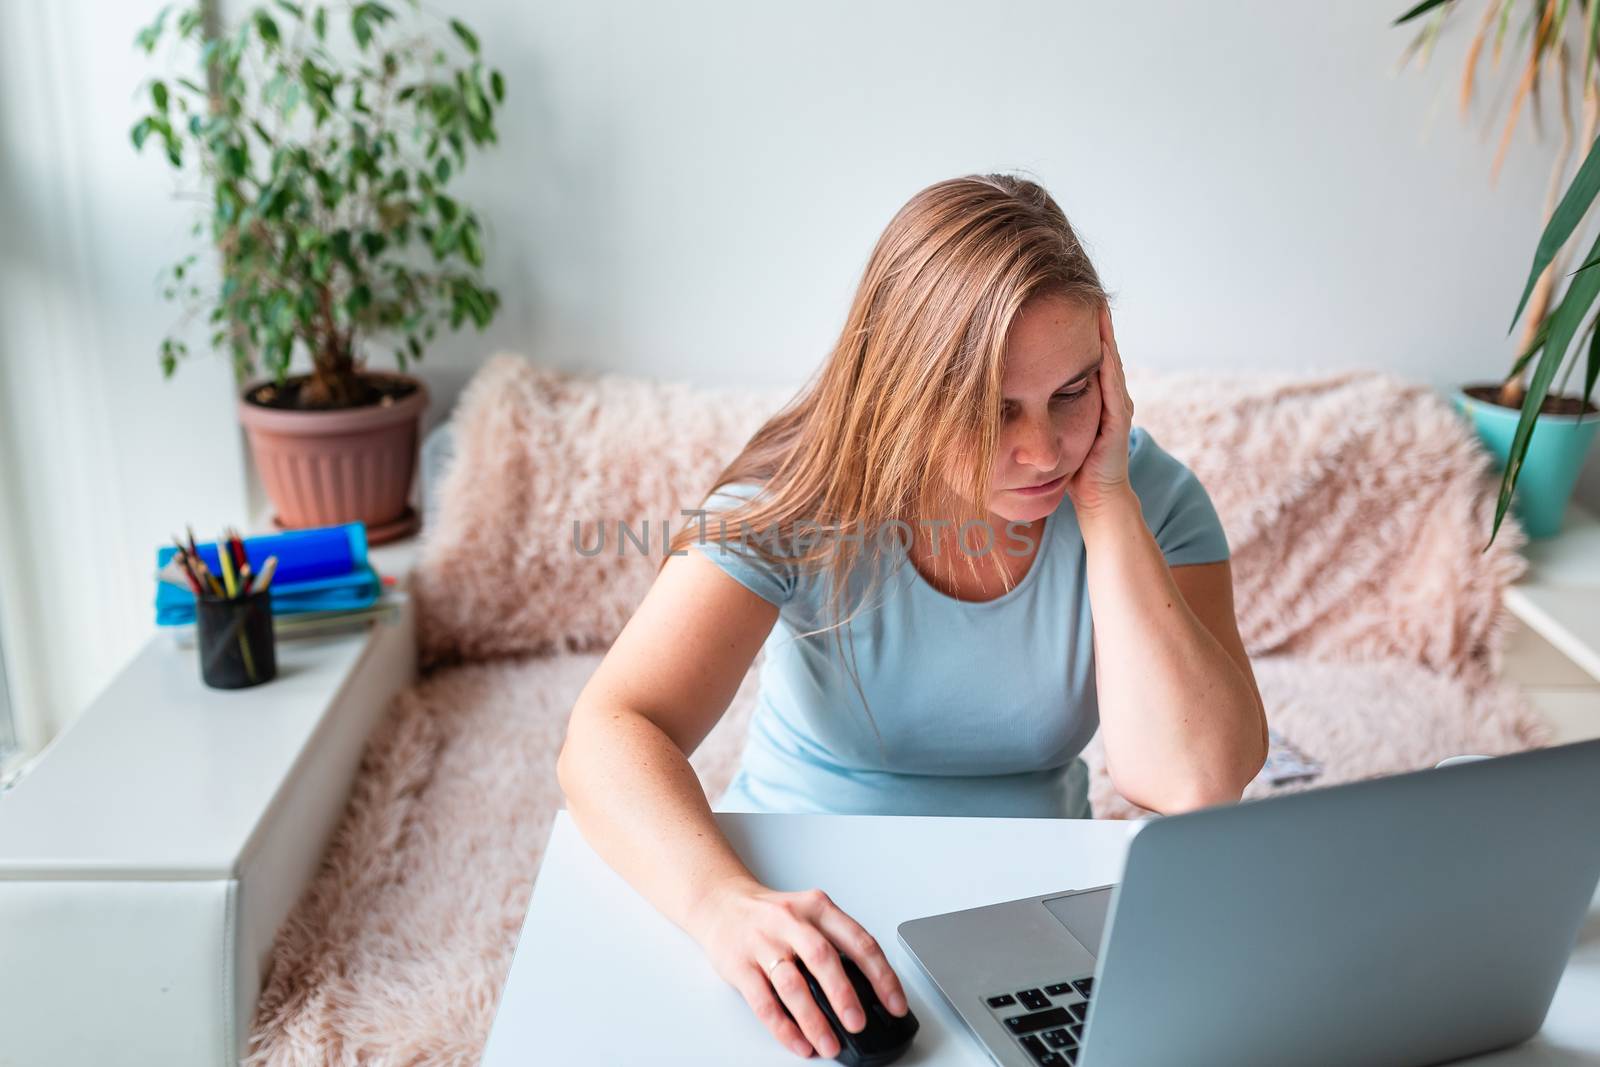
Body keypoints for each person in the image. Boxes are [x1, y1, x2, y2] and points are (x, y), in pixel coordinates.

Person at [556, 173, 1269, 1060]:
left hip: (1025, 914)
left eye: (1073, 391)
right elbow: (611, 726)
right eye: (996, 411)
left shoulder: (1146, 499)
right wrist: (721, 905)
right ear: (908, 391)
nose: (1044, 450)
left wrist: (1109, 502)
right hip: (798, 891)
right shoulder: (796, 500)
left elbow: (1197, 780)